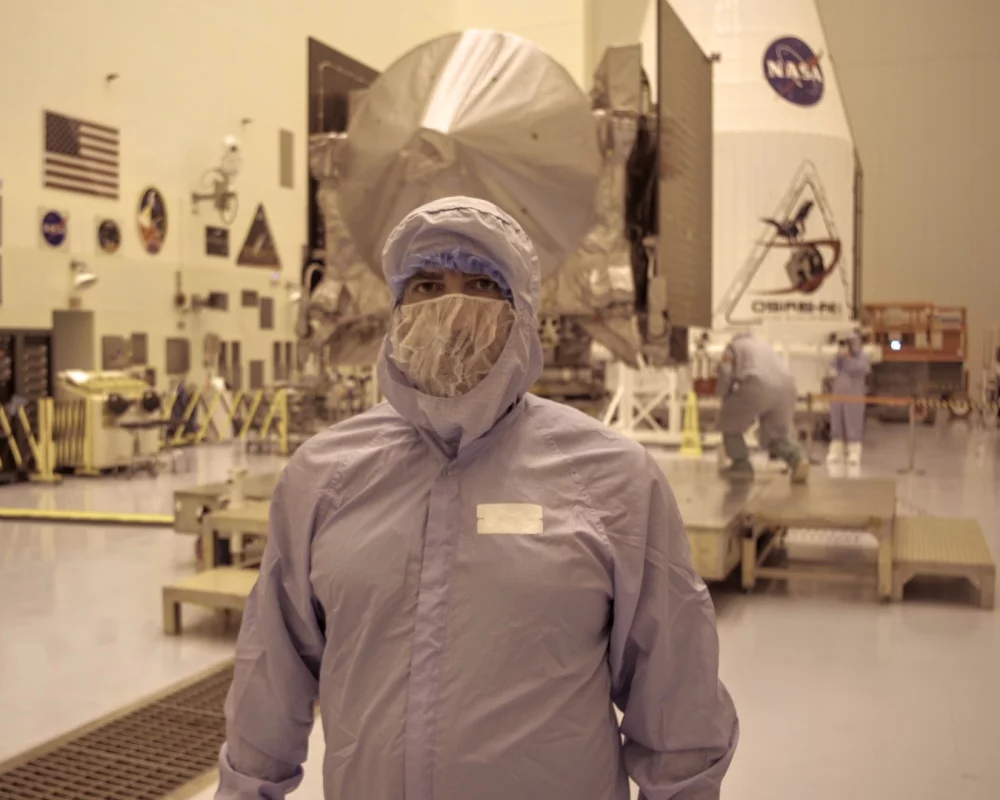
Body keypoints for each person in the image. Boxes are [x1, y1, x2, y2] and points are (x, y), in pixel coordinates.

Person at [217, 197, 738, 800]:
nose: (453, 310)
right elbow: (270, 680)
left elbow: (676, 697)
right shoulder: (324, 477)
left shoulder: (610, 480)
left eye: (483, 285)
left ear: (522, 312)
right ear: (396, 309)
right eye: (427, 286)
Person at [715, 331, 810, 483]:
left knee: (729, 421)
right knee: (775, 435)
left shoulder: (733, 347)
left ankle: (741, 465)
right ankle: (797, 459)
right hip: (788, 388)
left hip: (758, 384)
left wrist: (722, 395)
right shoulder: (764, 346)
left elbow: (725, 372)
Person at [828, 332, 870, 465]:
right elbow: (832, 366)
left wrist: (847, 359)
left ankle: (854, 452)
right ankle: (836, 451)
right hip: (838, 394)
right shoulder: (840, 357)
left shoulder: (862, 357)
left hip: (854, 395)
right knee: (837, 422)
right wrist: (839, 356)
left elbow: (860, 368)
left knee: (853, 422)